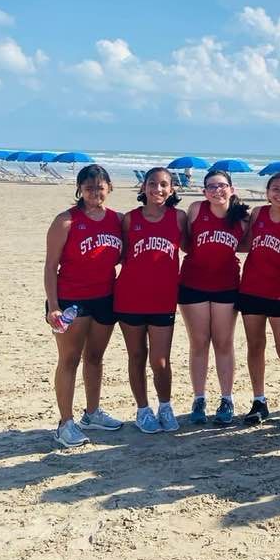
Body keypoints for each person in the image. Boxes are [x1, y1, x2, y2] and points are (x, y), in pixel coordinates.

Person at [44, 164, 125, 447]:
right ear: (80, 189)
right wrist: (53, 306)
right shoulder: (66, 221)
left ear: (109, 188)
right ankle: (65, 423)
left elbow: (123, 258)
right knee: (69, 359)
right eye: (89, 188)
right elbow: (50, 267)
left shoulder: (118, 220)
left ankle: (92, 413)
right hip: (70, 301)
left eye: (100, 187)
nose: (95, 193)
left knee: (95, 358)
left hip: (105, 298)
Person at [114, 167, 187, 434]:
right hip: (129, 298)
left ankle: (165, 406)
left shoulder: (179, 218)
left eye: (164, 184)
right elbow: (118, 254)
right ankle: (143, 409)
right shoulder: (129, 219)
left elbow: (191, 247)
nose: (158, 189)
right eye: (152, 184)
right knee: (136, 355)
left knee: (160, 360)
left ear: (172, 190)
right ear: (143, 188)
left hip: (163, 300)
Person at [236, 173, 280, 429]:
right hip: (252, 290)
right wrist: (235, 220)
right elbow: (244, 245)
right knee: (255, 347)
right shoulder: (258, 214)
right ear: (267, 192)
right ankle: (259, 401)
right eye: (276, 189)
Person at [177, 169, 249, 426]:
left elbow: (245, 246)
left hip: (226, 286)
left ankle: (226, 398)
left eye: (222, 186)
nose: (217, 190)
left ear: (231, 188)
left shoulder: (241, 219)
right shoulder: (196, 209)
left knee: (223, 342)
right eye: (211, 186)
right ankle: (199, 399)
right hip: (192, 284)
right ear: (204, 191)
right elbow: (186, 242)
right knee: (199, 343)